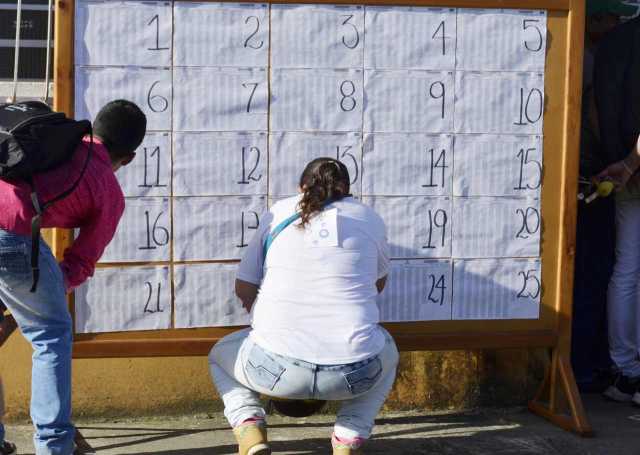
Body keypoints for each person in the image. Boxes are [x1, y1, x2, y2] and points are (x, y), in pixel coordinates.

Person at [209, 157, 398, 455]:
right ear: (347, 189)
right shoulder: (370, 218)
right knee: (387, 351)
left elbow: (243, 288)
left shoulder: (279, 211)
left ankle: (249, 430)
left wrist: (268, 320)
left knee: (219, 354)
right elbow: (378, 284)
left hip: (273, 367)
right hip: (353, 372)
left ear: (301, 187)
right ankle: (348, 438)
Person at [0, 99, 146, 455]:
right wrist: (38, 303)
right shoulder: (108, 190)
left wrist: (23, 304)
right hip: (12, 236)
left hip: (9, 232)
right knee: (51, 335)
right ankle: (55, 446)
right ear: (128, 158)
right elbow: (80, 263)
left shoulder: (58, 140)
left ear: (94, 128)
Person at [592, 0, 640, 405]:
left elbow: (594, 109)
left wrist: (616, 161)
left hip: (617, 171)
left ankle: (625, 370)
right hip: (629, 165)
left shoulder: (612, 42)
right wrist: (631, 161)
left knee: (626, 269)